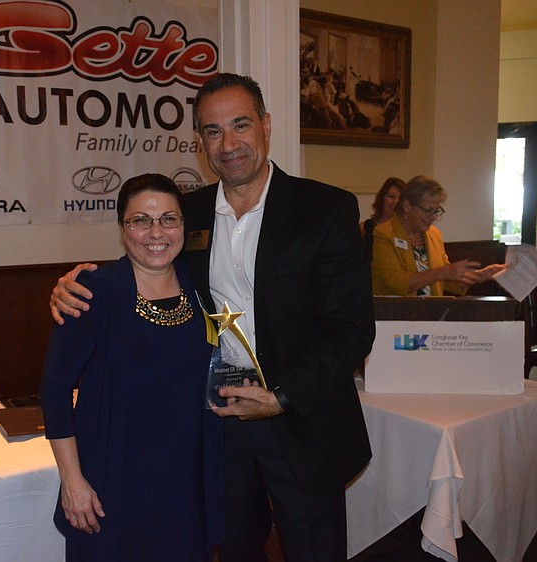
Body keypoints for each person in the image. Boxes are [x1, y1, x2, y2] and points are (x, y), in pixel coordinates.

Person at [50, 73, 374, 562]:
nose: (229, 144)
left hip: (303, 419)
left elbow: (351, 329)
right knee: (235, 549)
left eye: (241, 125)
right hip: (220, 425)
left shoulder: (325, 208)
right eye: (213, 131)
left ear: (266, 126)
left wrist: (281, 397)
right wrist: (75, 285)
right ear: (199, 142)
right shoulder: (189, 213)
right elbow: (147, 261)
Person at [40, 173, 223, 562]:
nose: (156, 232)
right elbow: (54, 388)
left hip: (185, 482)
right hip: (113, 479)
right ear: (123, 228)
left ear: (183, 226)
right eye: (140, 220)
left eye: (169, 219)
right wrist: (72, 480)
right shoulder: (93, 291)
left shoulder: (199, 284)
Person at [371, 175, 506, 296]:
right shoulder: (382, 234)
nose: (433, 217)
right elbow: (397, 282)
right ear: (407, 206)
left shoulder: (434, 234)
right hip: (394, 313)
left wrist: (481, 275)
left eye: (436, 211)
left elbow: (447, 281)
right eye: (428, 210)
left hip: (431, 312)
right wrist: (442, 272)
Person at [360, 176, 405, 261]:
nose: (396, 202)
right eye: (391, 196)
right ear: (381, 198)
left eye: (400, 198)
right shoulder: (365, 228)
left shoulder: (409, 230)